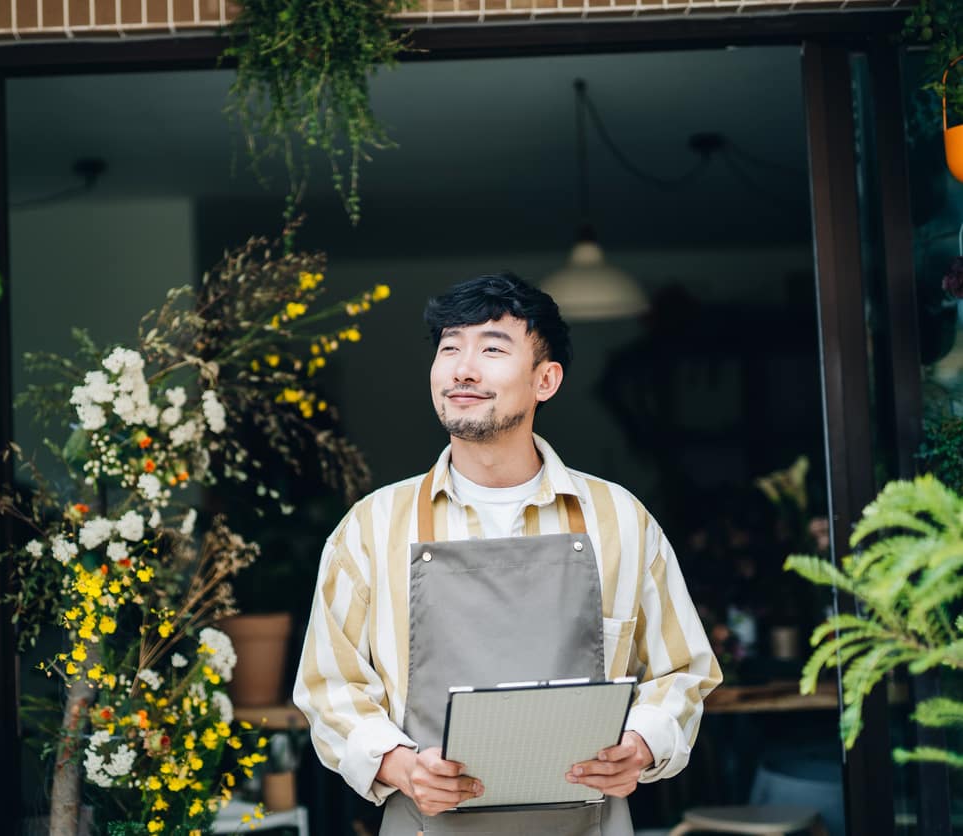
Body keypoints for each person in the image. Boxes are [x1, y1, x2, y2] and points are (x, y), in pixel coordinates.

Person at [293, 272, 722, 835]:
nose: (462, 369)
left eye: (492, 348)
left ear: (546, 379)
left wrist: (641, 745)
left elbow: (682, 672)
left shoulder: (619, 518)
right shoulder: (371, 528)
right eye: (450, 348)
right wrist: (401, 765)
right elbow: (330, 688)